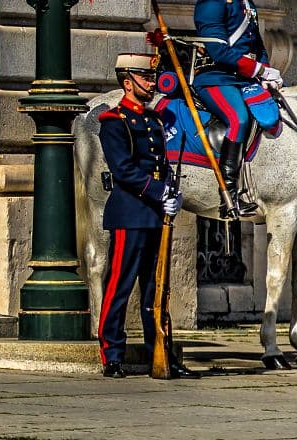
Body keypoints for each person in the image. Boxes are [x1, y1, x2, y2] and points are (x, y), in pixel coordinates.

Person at [97, 51, 190, 379]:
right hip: (130, 215)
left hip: (155, 216)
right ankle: (112, 353)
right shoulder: (113, 122)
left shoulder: (153, 120)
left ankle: (161, 352)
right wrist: (157, 191)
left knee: (157, 291)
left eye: (152, 77)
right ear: (127, 82)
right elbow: (123, 170)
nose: (152, 83)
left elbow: (160, 165)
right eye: (146, 78)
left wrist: (172, 193)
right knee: (119, 287)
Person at [191, 0, 278, 220]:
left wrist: (267, 71)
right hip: (216, 79)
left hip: (243, 78)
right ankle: (228, 194)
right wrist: (257, 70)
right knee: (238, 117)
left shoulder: (247, 3)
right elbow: (219, 53)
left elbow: (257, 46)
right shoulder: (212, 1)